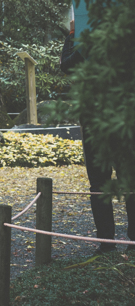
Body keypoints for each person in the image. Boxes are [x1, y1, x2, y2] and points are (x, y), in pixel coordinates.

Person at [60, 14, 135, 254]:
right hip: (93, 119)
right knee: (98, 183)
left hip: (124, 119)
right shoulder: (81, 35)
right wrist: (75, 37)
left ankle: (132, 241)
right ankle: (106, 242)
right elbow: (66, 66)